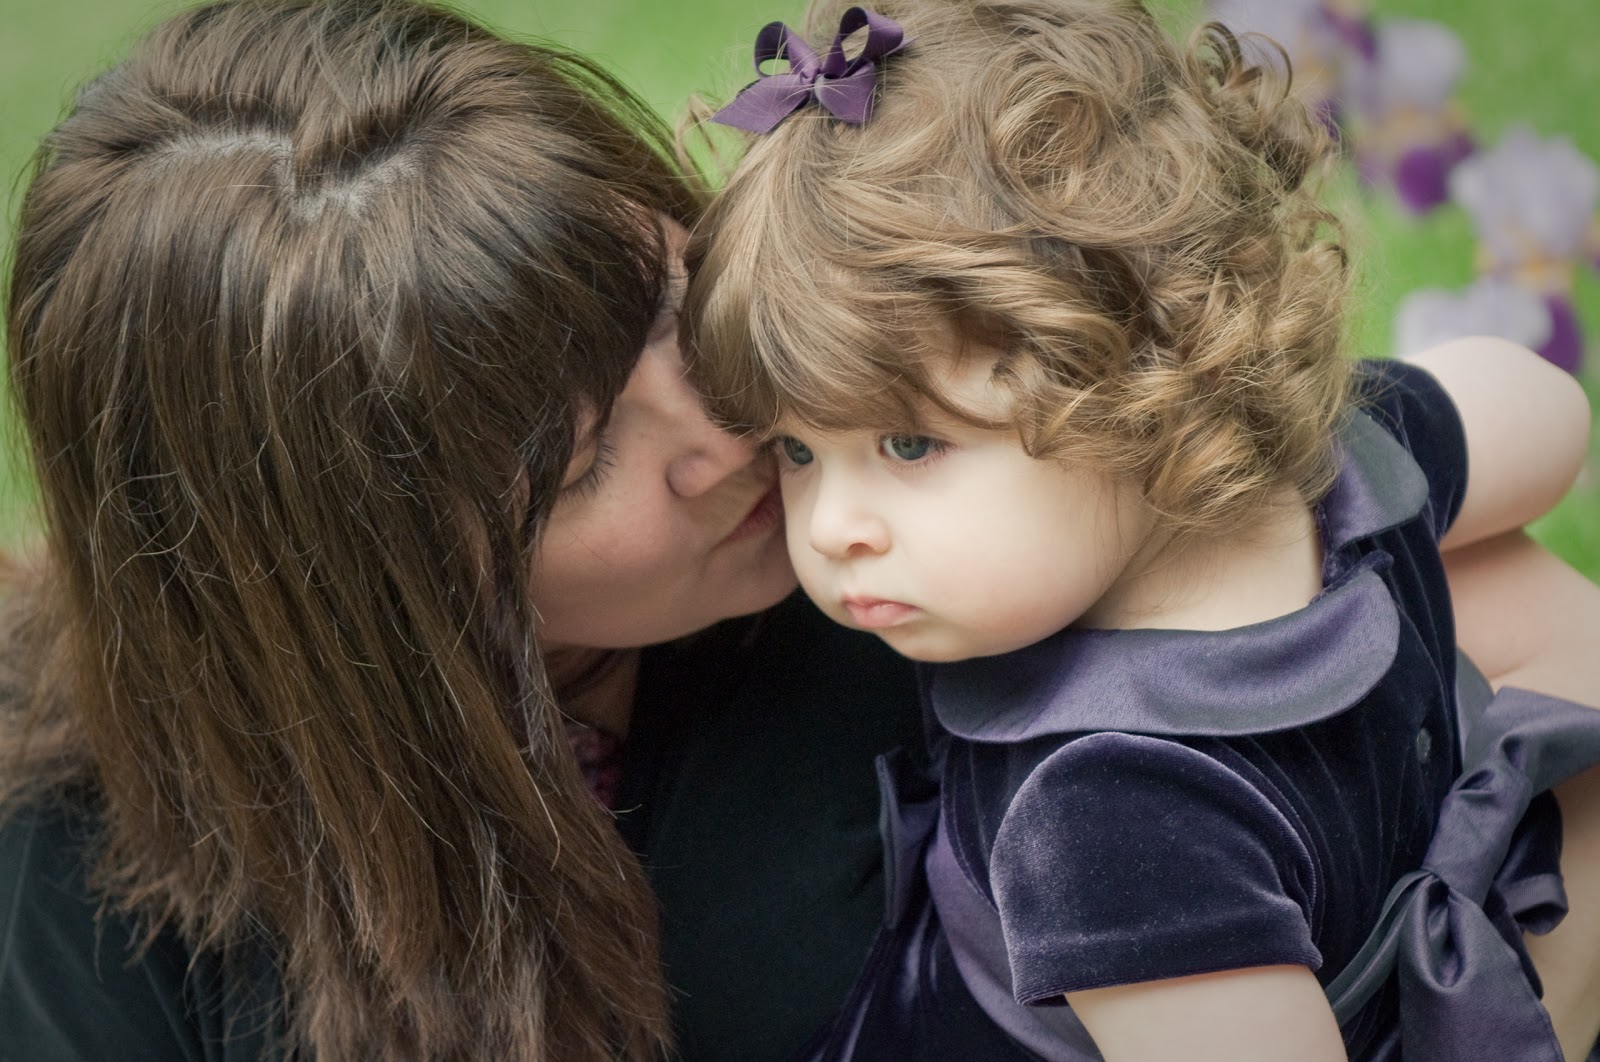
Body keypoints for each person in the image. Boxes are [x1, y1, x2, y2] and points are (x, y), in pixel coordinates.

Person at [0, 2, 926, 1059]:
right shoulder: (81, 889)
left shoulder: (931, 532)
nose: (725, 427)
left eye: (670, 305)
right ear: (365, 595)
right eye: (582, 467)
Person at [685, 0, 1600, 1058]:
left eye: (907, 447)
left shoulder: (1344, 477)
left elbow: (1546, 417)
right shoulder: (1107, 809)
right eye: (798, 453)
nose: (834, 526)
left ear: (1129, 381)